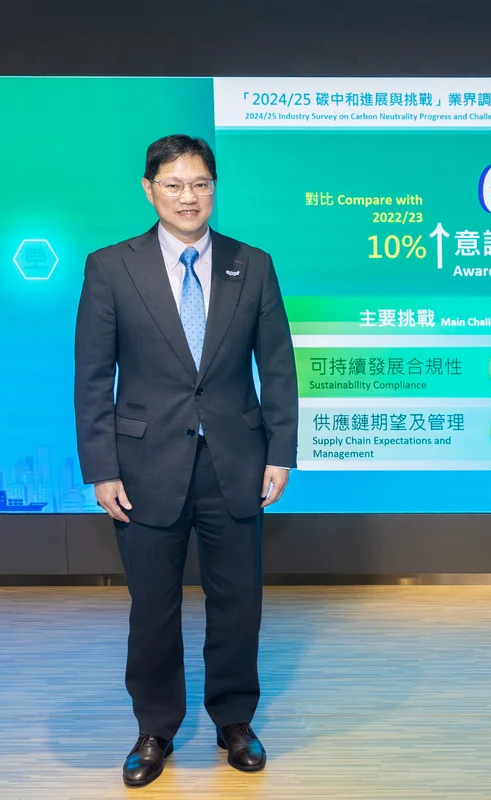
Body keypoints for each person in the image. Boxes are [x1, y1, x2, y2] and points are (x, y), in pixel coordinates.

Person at [73, 134, 298, 787]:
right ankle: (155, 729)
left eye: (200, 183)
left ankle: (235, 721)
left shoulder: (252, 265)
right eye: (173, 185)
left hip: (237, 459)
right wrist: (101, 467)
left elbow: (277, 368)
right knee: (152, 606)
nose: (188, 197)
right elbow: (93, 377)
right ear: (149, 190)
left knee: (238, 601)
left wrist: (279, 452)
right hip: (143, 466)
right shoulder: (110, 267)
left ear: (213, 187)